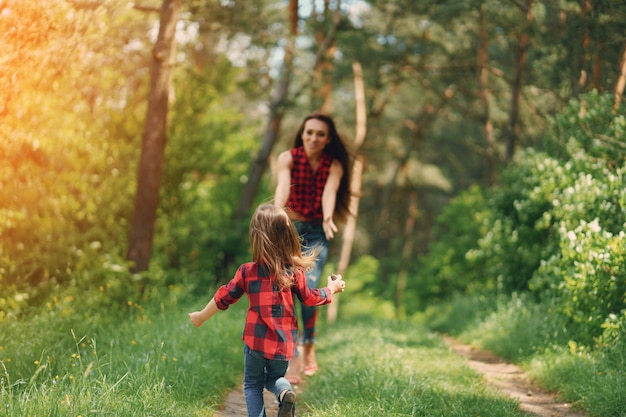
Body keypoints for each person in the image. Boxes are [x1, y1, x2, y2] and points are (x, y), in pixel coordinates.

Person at [188, 203, 346, 417]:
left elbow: (224, 297)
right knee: (275, 379)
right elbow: (309, 298)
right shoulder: (294, 272)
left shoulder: (247, 272)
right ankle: (285, 393)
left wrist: (201, 316)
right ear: (287, 235)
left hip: (256, 342)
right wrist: (331, 289)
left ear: (256, 237)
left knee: (252, 385)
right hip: (284, 342)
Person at [274, 112, 352, 382]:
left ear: (328, 139)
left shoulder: (335, 165)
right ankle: (292, 355)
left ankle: (309, 345)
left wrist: (329, 217)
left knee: (307, 288)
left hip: (316, 232)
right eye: (309, 132)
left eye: (320, 134)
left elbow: (330, 192)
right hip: (289, 231)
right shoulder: (287, 158)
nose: (313, 138)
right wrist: (275, 215)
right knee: (286, 292)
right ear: (302, 133)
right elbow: (282, 187)